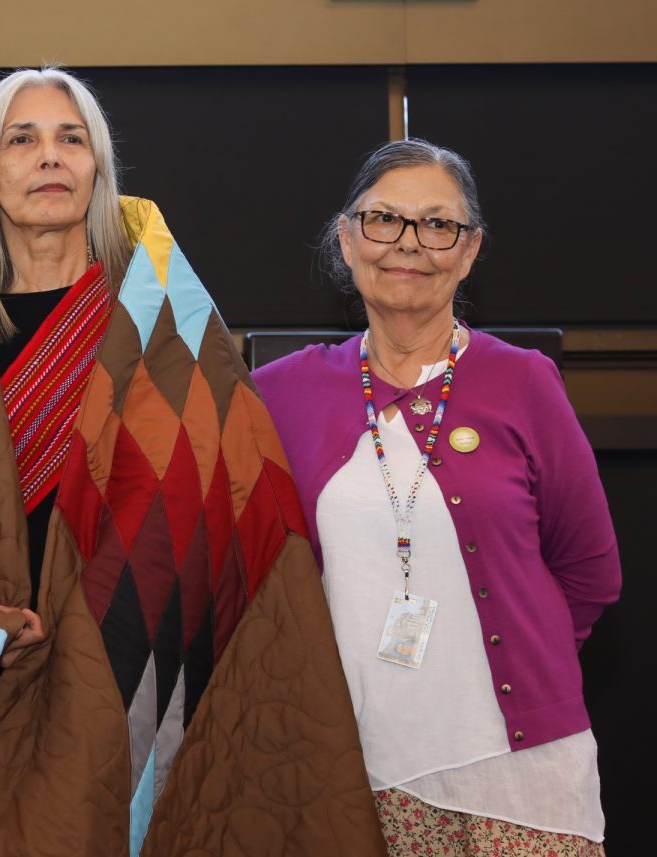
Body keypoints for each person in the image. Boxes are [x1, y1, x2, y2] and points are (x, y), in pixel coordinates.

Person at [0, 68, 385, 857]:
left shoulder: (165, 322)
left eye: (72, 138)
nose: (50, 156)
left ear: (98, 167)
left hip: (121, 648)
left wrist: (98, 624)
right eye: (22, 140)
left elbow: (222, 500)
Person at [250, 139, 621, 856]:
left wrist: (520, 656)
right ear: (347, 239)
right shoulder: (280, 394)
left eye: (438, 224)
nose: (409, 243)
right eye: (384, 219)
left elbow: (590, 571)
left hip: (518, 772)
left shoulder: (525, 383)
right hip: (350, 767)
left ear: (470, 250)